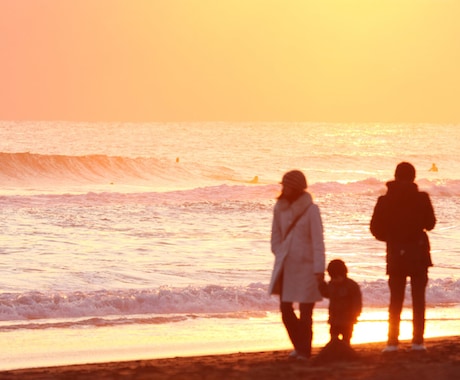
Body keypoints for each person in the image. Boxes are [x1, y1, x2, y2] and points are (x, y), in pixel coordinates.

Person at [370, 162, 436, 352]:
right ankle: (418, 342)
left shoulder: (384, 200)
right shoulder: (422, 198)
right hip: (419, 253)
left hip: (395, 253)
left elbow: (375, 229)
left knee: (395, 299)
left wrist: (391, 239)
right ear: (413, 178)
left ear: (395, 176)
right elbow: (430, 224)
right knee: (418, 299)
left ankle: (392, 342)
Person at [268, 169, 326, 360]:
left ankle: (304, 351)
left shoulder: (311, 210)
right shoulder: (280, 207)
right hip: (286, 266)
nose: (283, 189)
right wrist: (280, 252)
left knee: (306, 312)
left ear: (296, 188)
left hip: (307, 267)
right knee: (285, 309)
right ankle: (299, 345)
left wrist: (319, 269)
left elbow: (318, 241)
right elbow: (275, 236)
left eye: (287, 186)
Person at [319, 259, 362, 346]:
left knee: (346, 340)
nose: (333, 280)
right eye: (332, 277)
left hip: (348, 320)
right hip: (334, 320)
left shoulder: (351, 285)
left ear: (343, 274)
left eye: (336, 277)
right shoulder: (331, 285)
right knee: (333, 340)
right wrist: (321, 283)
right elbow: (326, 293)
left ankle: (346, 354)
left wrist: (355, 315)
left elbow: (357, 302)